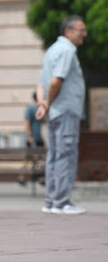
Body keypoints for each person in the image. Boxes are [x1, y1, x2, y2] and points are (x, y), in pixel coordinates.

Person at [35, 15, 87, 215]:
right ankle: (62, 202)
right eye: (80, 30)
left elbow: (42, 82)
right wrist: (47, 102)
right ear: (68, 31)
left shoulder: (52, 50)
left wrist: (43, 103)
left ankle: (51, 201)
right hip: (65, 110)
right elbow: (56, 81)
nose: (84, 34)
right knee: (66, 153)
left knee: (55, 155)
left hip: (56, 112)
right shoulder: (67, 50)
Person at [18, 91, 45, 186]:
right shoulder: (30, 108)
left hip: (39, 137)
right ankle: (21, 177)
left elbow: (44, 121)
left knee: (40, 157)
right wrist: (29, 136)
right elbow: (26, 122)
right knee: (27, 158)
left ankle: (40, 177)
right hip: (32, 138)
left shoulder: (39, 108)